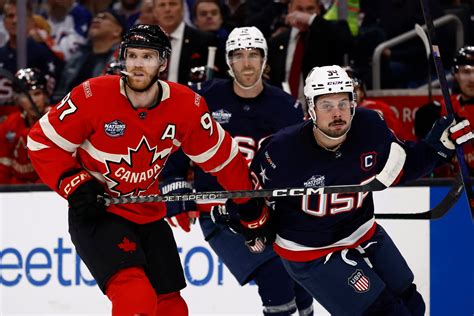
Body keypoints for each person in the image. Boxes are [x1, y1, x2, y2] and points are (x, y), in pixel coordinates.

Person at [26, 24, 258, 315]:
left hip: (147, 213)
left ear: (163, 63)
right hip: (100, 212)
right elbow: (41, 142)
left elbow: (223, 159)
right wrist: (74, 183)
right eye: (132, 55)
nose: (137, 65)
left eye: (147, 57)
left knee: (172, 306)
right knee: (134, 296)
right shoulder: (92, 95)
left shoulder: (186, 105)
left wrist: (249, 204)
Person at [224, 65, 473, 315]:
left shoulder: (370, 126)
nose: (337, 113)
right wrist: (245, 219)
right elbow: (247, 200)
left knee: (411, 303)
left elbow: (402, 166)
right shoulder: (281, 151)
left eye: (343, 103)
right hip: (310, 252)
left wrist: (438, 147)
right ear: (311, 108)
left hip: (362, 231)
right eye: (327, 105)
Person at [161, 26, 314, 316]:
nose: (246, 62)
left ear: (265, 60)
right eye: (239, 55)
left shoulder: (286, 107)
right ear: (228, 62)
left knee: (302, 284)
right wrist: (174, 180)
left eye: (254, 54)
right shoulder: (204, 99)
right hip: (220, 214)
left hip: (274, 213)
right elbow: (176, 139)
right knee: (275, 277)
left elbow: (305, 160)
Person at [267, 0, 353, 101]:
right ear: (289, 9)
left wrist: (311, 20)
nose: (302, 15)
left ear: (319, 10)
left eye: (310, 9)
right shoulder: (277, 41)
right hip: (284, 109)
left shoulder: (329, 34)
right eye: (299, 9)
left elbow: (347, 41)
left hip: (321, 109)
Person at [51, 9, 126, 102]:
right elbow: (61, 91)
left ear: (117, 31)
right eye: (96, 17)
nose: (97, 19)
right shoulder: (79, 54)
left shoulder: (122, 59)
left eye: (104, 17)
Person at [152, 0, 225, 84]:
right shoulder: (147, 42)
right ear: (154, 12)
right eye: (162, 5)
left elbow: (221, 79)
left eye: (173, 4)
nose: (167, 9)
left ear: (183, 8)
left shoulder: (205, 40)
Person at [0, 68, 51, 184]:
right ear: (17, 99)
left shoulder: (58, 120)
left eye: (37, 93)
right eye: (26, 95)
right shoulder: (9, 124)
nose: (33, 100)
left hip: (49, 189)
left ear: (46, 95)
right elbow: (3, 169)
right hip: (17, 191)